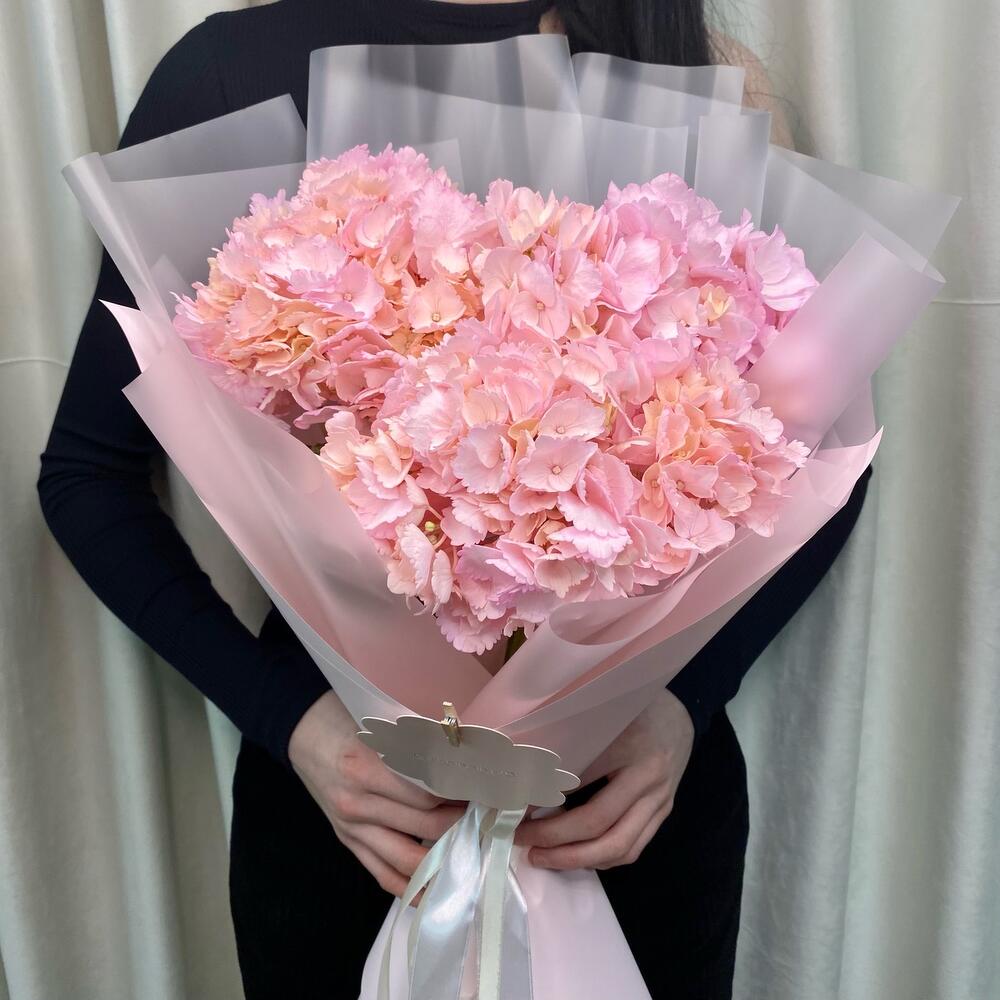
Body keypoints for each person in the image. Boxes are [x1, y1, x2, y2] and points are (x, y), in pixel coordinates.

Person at [37, 2, 871, 997]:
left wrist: (684, 706)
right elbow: (87, 476)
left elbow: (821, 453)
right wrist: (294, 723)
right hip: (357, 814)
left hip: (629, 809)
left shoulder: (706, 71)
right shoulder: (232, 69)